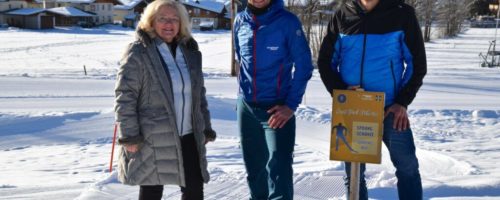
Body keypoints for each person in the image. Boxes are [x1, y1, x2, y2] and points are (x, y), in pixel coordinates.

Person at [317, 0, 427, 199]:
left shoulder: (402, 13)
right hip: (353, 108)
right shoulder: (342, 14)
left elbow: (417, 63)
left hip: (390, 109)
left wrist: (402, 102)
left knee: (407, 167)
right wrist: (340, 91)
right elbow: (325, 61)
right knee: (353, 175)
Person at [114, 0, 216, 199]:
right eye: (162, 19)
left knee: (194, 190)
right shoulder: (138, 52)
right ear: (151, 21)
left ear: (181, 23)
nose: (168, 24)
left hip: (188, 135)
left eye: (174, 19)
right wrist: (130, 134)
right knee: (152, 190)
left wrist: (205, 128)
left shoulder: (190, 52)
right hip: (153, 136)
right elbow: (125, 97)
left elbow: (198, 95)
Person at [233, 0, 313, 198]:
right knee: (254, 172)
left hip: (277, 109)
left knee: (279, 172)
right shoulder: (239, 21)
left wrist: (290, 105)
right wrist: (240, 100)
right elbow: (241, 62)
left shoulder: (288, 22)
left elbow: (304, 66)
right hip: (247, 109)